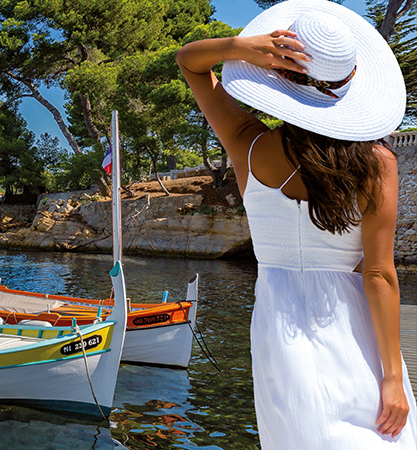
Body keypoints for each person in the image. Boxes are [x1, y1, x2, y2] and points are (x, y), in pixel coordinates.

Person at [176, 0, 417, 448]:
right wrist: (393, 379)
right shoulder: (376, 162)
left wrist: (242, 49)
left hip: (280, 333)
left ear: (280, 77)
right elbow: (379, 275)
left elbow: (190, 63)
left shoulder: (247, 145)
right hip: (356, 331)